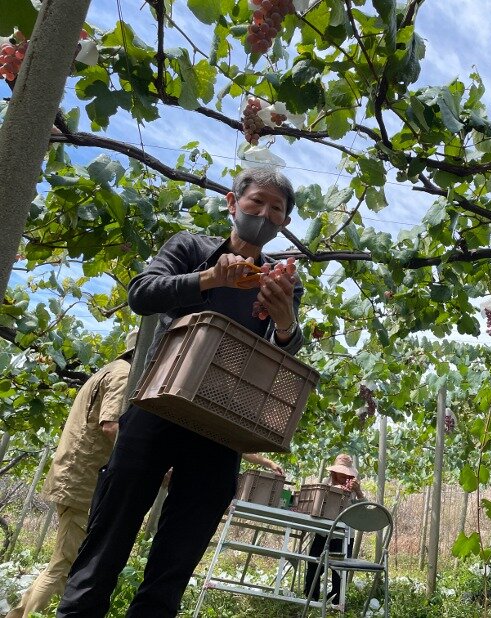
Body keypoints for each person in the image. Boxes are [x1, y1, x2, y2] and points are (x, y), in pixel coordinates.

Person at [57, 167, 304, 618]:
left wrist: (286, 318)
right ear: (233, 203)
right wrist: (209, 279)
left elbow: (281, 347)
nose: (265, 214)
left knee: (178, 556)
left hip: (222, 424)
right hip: (156, 405)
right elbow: (142, 293)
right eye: (257, 202)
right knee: (108, 535)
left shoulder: (282, 277)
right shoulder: (191, 248)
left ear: (285, 222)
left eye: (277, 209)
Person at [5, 332, 137, 618]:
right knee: (67, 564)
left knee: (62, 561)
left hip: (75, 478)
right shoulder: (124, 375)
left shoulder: (107, 371)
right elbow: (111, 426)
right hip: (83, 482)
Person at [304, 453, 365, 604]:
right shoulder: (326, 483)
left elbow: (364, 509)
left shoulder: (354, 488)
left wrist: (358, 492)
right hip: (324, 532)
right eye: (341, 472)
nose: (344, 475)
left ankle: (336, 601)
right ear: (334, 471)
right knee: (314, 564)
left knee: (339, 571)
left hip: (343, 535)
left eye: (347, 473)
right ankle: (311, 597)